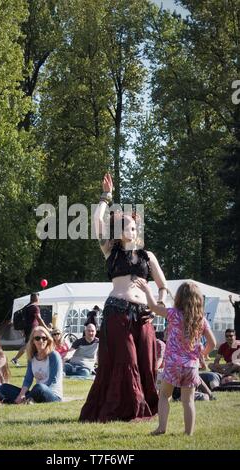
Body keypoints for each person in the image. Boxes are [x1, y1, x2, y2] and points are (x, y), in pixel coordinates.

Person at [79, 173, 168, 422]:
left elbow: (162, 286)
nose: (130, 228)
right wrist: (106, 196)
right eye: (125, 225)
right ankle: (126, 409)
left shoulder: (148, 256)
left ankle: (145, 405)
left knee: (146, 362)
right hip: (117, 311)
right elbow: (96, 220)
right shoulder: (111, 252)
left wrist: (158, 303)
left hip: (144, 315)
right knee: (126, 360)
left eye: (132, 225)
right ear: (119, 231)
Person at [137, 280, 216, 436]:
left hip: (173, 364)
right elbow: (213, 343)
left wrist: (146, 289)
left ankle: (161, 428)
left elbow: (153, 307)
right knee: (188, 401)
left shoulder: (173, 314)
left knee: (165, 396)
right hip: (191, 366)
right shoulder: (201, 320)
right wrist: (203, 354)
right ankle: (188, 433)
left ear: (179, 297)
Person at [1, 326, 63, 404]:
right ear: (33, 341)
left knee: (39, 387)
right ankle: (26, 399)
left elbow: (53, 381)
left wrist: (30, 394)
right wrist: (21, 394)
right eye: (37, 338)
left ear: (48, 340)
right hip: (36, 393)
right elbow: (28, 379)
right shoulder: (32, 357)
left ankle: (19, 401)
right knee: (4, 387)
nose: (41, 341)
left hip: (52, 394)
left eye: (44, 338)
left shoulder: (53, 355)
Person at [11, 293, 47, 366]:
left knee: (29, 345)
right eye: (38, 298)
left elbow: (24, 320)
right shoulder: (35, 307)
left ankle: (26, 360)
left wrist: (23, 330)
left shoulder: (26, 307)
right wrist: (47, 328)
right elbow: (39, 318)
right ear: (37, 299)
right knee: (29, 345)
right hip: (32, 329)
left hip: (27, 329)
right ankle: (19, 360)